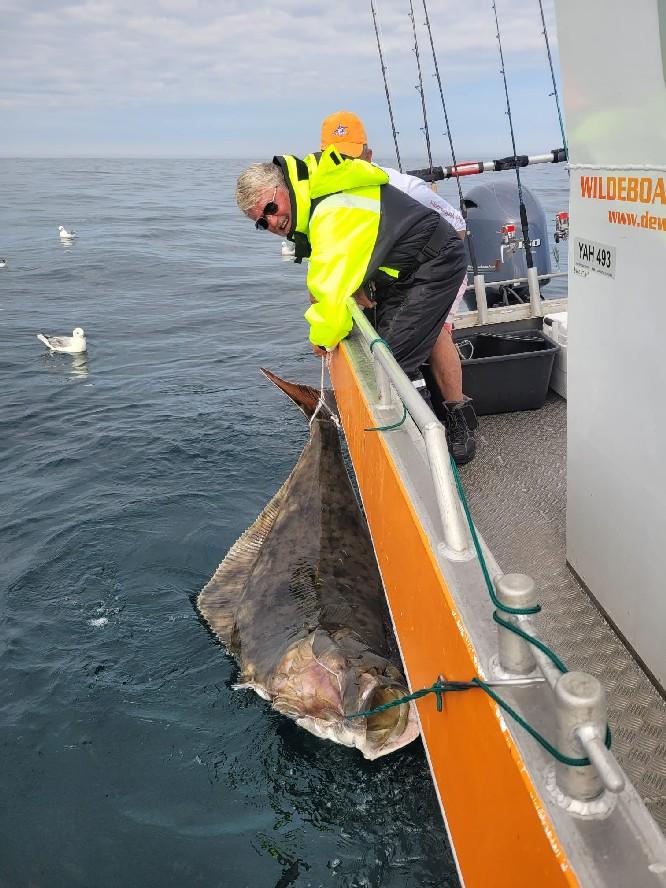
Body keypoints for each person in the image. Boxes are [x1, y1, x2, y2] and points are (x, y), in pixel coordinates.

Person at [235, 146, 470, 462]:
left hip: (434, 262)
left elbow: (329, 290)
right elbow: (335, 268)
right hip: (400, 271)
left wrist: (322, 339)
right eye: (262, 222)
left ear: (283, 188)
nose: (273, 222)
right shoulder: (312, 197)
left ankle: (443, 441)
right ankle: (425, 434)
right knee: (384, 350)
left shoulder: (328, 208)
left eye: (271, 208)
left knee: (390, 365)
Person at [319, 110, 476, 464]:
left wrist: (425, 281)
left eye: (353, 156)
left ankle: (458, 418)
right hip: (390, 278)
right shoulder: (332, 197)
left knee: (435, 333)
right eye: (337, 158)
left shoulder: (405, 188)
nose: (347, 165)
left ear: (369, 155)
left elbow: (457, 226)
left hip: (437, 269)